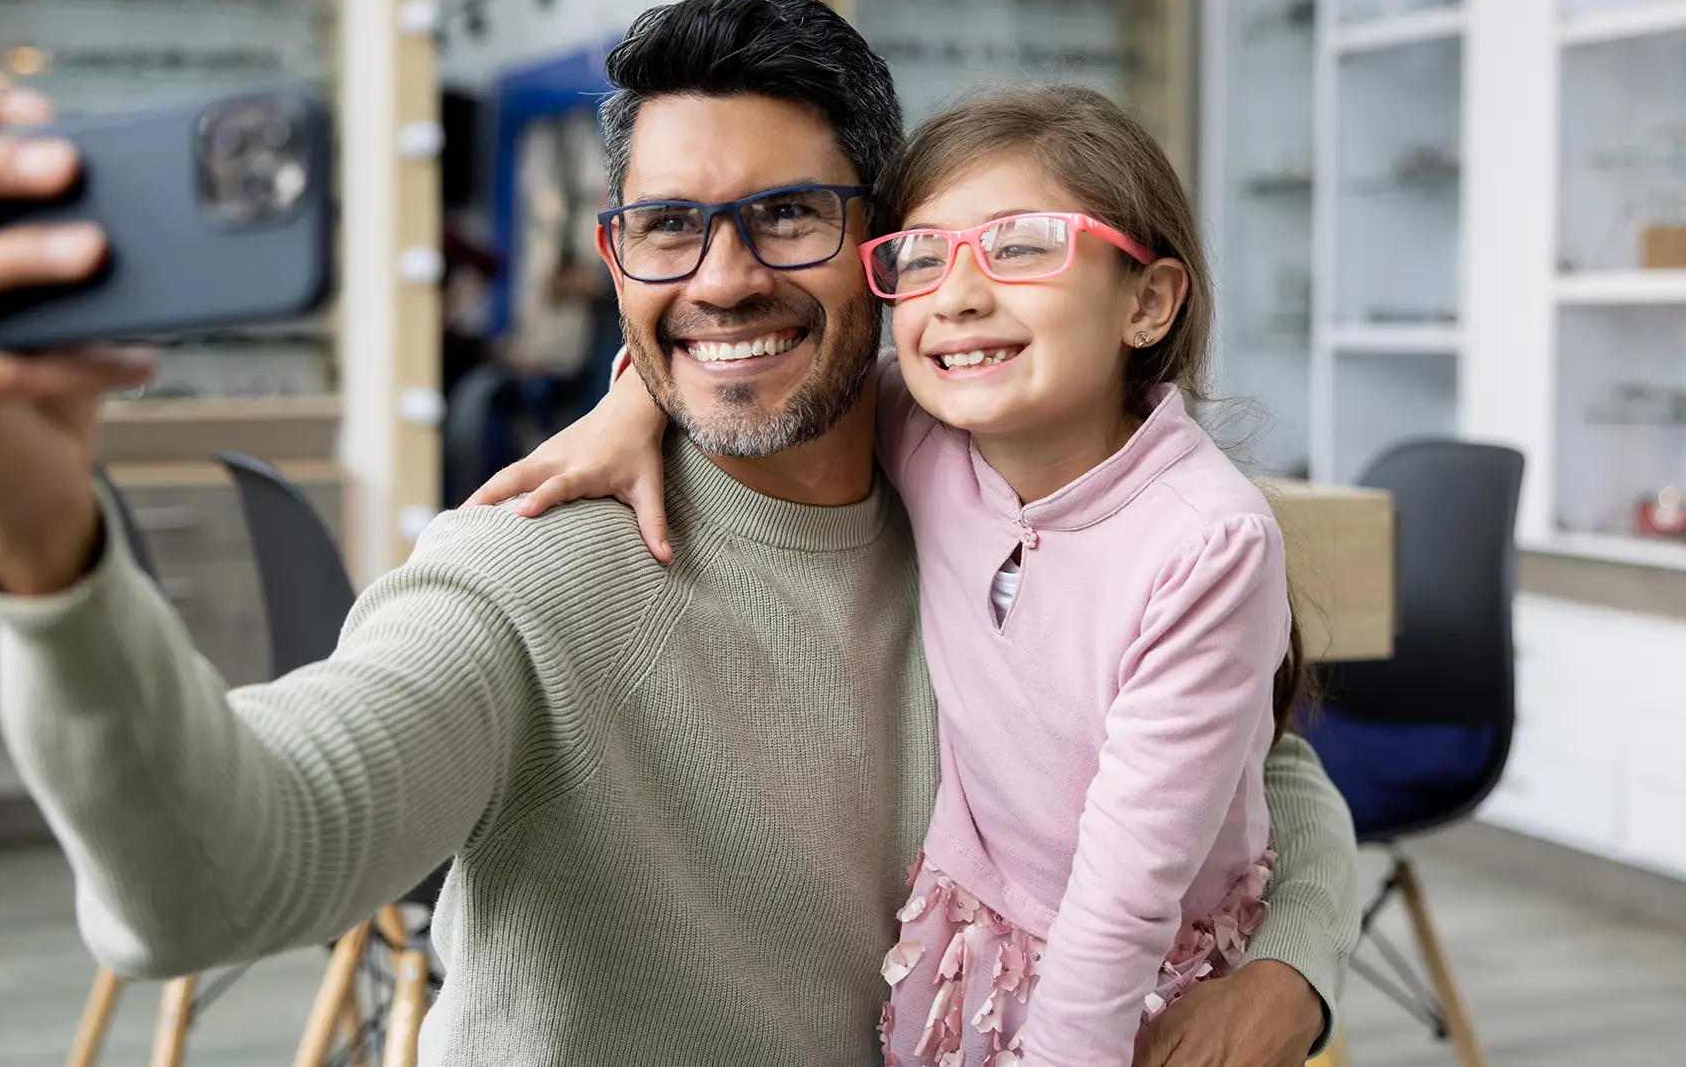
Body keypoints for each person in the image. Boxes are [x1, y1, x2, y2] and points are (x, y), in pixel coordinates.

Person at [0, 0, 1357, 1066]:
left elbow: (1257, 758)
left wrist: (1295, 962)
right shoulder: (530, 571)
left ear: (876, 258)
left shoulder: (976, 477)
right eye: (665, 228)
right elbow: (209, 883)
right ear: (618, 253)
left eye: (788, 217)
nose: (719, 278)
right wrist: (40, 535)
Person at [472, 82, 1303, 1067]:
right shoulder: (929, 427)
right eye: (919, 257)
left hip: (1132, 977)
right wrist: (630, 405)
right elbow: (755, 365)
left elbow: (1125, 891)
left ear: (1149, 300)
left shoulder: (1206, 541)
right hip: (977, 940)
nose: (956, 295)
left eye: (1021, 244)